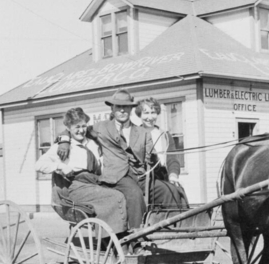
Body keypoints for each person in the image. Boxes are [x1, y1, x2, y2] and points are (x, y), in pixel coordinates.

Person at [57, 91, 147, 230]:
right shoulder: (101, 127)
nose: (122, 110)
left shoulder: (140, 131)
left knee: (165, 190)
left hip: (139, 174)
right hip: (116, 175)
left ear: (131, 109)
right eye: (118, 107)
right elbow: (76, 127)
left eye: (126, 107)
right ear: (112, 108)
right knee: (134, 193)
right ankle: (137, 238)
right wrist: (64, 141)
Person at [36, 107, 127, 235]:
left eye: (83, 126)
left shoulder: (93, 143)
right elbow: (39, 165)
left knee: (124, 193)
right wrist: (60, 166)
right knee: (115, 197)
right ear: (68, 129)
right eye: (76, 127)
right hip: (76, 186)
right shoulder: (62, 147)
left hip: (95, 182)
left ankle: (119, 234)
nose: (81, 130)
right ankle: (112, 238)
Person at [135, 97, 189, 207]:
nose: (150, 117)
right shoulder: (135, 135)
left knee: (180, 192)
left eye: (153, 113)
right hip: (146, 178)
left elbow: (172, 159)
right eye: (146, 113)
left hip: (164, 176)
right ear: (140, 115)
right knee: (169, 192)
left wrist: (173, 176)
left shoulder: (165, 135)